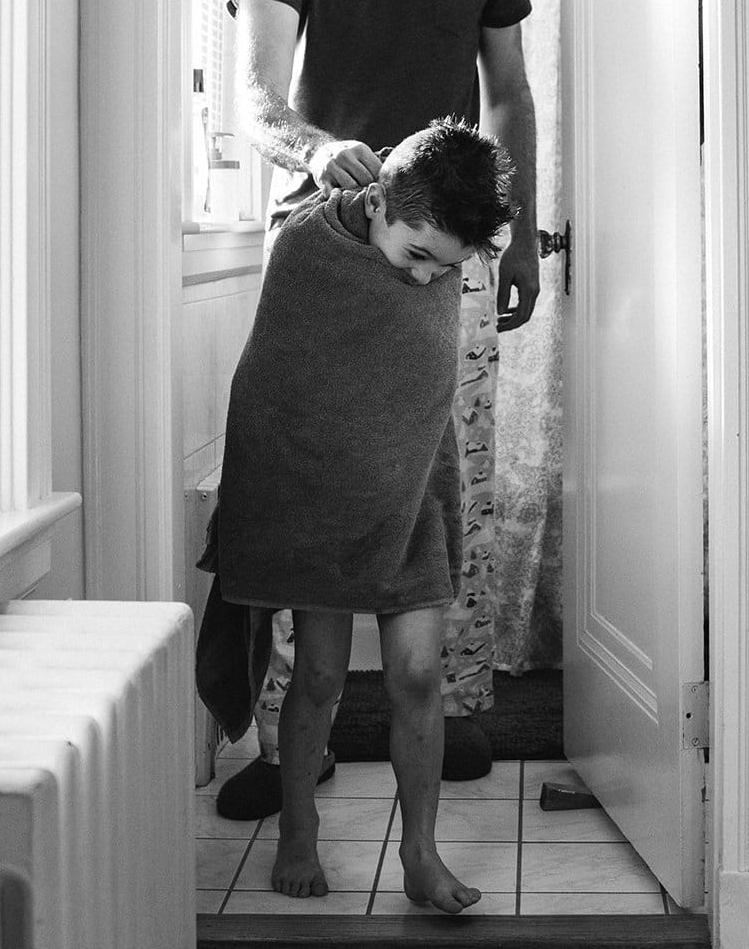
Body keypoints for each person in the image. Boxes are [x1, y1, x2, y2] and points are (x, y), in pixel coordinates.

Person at [216, 0, 539, 819]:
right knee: (293, 482)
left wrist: (521, 234)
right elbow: (253, 94)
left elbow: (510, 95)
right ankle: (271, 742)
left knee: (448, 484)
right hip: (319, 245)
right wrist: (314, 145)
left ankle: (450, 702)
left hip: (445, 243)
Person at [203, 121, 518, 910]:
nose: (426, 280)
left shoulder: (435, 256)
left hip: (412, 491)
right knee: (318, 672)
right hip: (325, 499)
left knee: (417, 673)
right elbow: (271, 385)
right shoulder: (307, 249)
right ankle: (299, 828)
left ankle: (419, 853)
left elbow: (424, 382)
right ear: (377, 200)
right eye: (416, 255)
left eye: (444, 269)